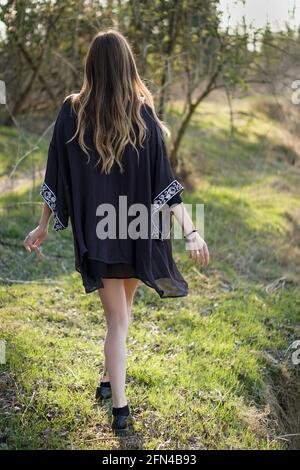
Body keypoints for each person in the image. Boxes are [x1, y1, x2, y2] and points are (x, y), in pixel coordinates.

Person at [23, 29, 209, 434]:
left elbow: (55, 174)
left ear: (91, 65)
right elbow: (167, 187)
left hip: (101, 234)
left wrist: (42, 227)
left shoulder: (75, 111)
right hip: (138, 229)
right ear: (128, 66)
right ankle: (119, 407)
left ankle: (112, 392)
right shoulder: (141, 114)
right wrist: (190, 232)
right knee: (120, 321)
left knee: (118, 321)